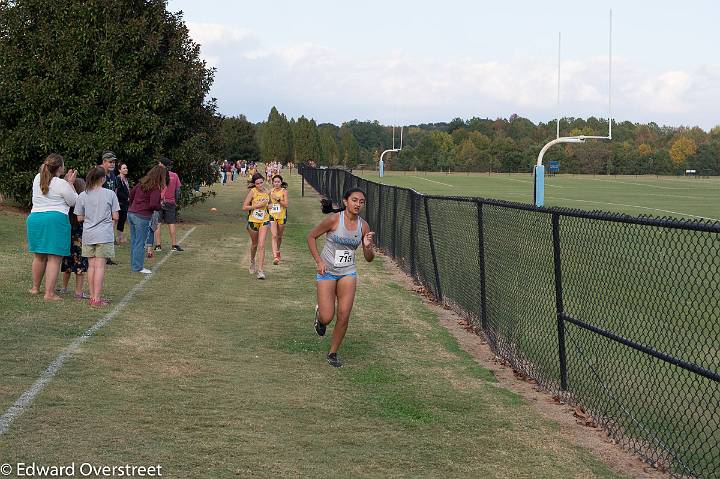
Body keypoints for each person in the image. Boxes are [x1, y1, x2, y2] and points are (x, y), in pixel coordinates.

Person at [306, 189, 375, 368]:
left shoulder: (364, 226)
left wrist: (367, 247)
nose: (358, 204)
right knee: (328, 316)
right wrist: (319, 261)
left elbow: (369, 258)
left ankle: (333, 352)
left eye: (361, 201)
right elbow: (311, 237)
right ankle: (320, 317)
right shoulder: (334, 219)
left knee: (344, 315)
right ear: (345, 202)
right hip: (327, 271)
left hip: (348, 272)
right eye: (354, 200)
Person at [26, 153, 78, 301]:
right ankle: (49, 294)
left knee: (39, 255)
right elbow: (74, 201)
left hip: (35, 218)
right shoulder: (61, 183)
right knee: (54, 258)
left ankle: (35, 288)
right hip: (55, 220)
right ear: (60, 167)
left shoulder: (37, 178)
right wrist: (70, 183)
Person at [74, 167, 120, 306]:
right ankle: (97, 299)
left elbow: (79, 217)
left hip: (88, 234)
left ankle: (93, 297)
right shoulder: (110, 194)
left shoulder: (83, 195)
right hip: (104, 234)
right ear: (102, 179)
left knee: (91, 266)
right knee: (100, 267)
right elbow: (116, 215)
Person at [127, 166, 165, 274]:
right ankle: (138, 267)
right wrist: (160, 206)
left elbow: (131, 194)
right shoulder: (155, 188)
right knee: (140, 242)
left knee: (135, 241)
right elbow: (153, 204)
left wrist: (133, 206)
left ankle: (134, 264)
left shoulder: (141, 184)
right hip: (142, 216)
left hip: (131, 213)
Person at [59, 177, 89, 299]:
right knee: (79, 265)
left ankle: (64, 288)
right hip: (80, 239)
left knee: (67, 263)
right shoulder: (82, 204)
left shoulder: (67, 204)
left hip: (68, 238)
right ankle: (78, 291)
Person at [242, 173, 270, 279]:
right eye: (257, 183)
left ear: (264, 181)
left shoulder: (268, 192)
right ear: (254, 184)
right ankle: (252, 261)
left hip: (265, 220)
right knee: (255, 244)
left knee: (262, 245)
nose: (259, 185)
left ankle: (260, 271)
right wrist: (257, 206)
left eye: (261, 182)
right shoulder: (252, 192)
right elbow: (244, 207)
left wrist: (270, 205)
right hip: (253, 221)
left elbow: (271, 204)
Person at [153, 157, 183, 252]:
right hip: (171, 202)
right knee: (171, 223)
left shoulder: (157, 175)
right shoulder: (174, 175)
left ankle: (158, 245)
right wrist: (175, 200)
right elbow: (178, 190)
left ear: (162, 164)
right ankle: (174, 245)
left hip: (159, 202)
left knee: (157, 223)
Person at [99, 151, 118, 265]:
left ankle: (107, 256)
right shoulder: (99, 173)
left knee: (109, 232)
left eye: (114, 162)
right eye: (110, 162)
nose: (112, 164)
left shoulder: (112, 174)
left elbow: (114, 189)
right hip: (101, 209)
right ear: (104, 161)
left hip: (110, 208)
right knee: (102, 232)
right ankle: (102, 256)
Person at [268, 175, 289, 265]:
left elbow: (286, 205)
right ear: (272, 182)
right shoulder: (270, 191)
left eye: (278, 182)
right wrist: (268, 206)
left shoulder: (284, 192)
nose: (276, 183)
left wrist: (278, 199)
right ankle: (275, 256)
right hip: (272, 215)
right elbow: (267, 203)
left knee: (279, 237)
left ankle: (277, 250)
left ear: (281, 182)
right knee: (274, 236)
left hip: (282, 216)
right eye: (275, 182)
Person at [115, 162, 130, 244]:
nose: (126, 169)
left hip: (125, 203)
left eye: (126, 168)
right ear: (119, 170)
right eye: (124, 168)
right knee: (116, 220)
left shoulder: (125, 179)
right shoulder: (118, 179)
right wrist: (126, 198)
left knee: (122, 220)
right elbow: (118, 192)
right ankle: (117, 238)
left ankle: (119, 237)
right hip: (120, 203)